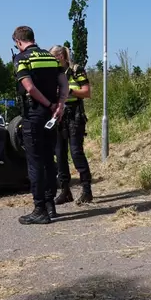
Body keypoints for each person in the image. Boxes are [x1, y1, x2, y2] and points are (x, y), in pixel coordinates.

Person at [12, 26, 69, 224]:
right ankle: (50, 205)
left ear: (19, 42)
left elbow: (29, 87)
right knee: (48, 160)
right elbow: (64, 83)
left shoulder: (22, 58)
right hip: (52, 117)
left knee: (35, 163)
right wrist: (59, 105)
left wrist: (48, 104)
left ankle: (39, 210)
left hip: (35, 114)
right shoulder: (50, 57)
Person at [49, 45, 93, 205]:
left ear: (62, 56)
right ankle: (65, 191)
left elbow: (87, 92)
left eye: (54, 57)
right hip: (58, 114)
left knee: (76, 152)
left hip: (74, 114)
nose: (53, 60)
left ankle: (87, 190)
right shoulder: (52, 73)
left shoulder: (76, 70)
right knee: (59, 154)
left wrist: (70, 92)